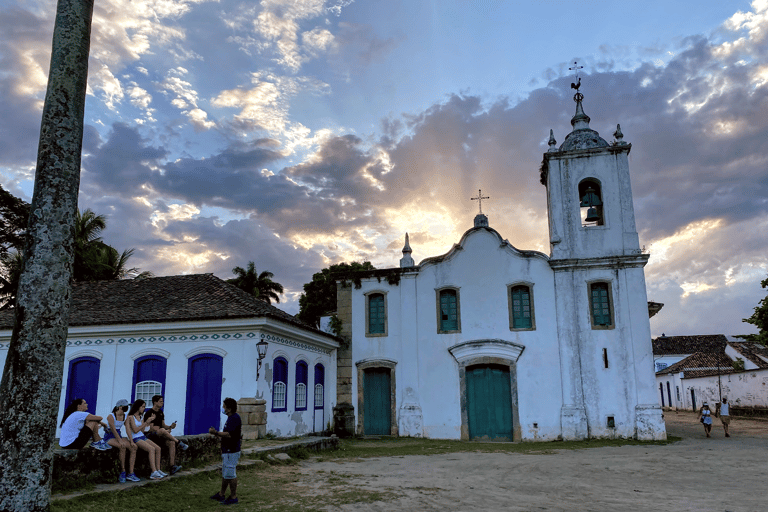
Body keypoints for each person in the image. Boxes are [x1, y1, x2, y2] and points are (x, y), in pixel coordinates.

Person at [143, 394, 189, 475]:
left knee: (171, 442)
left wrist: (170, 426)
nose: (162, 403)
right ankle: (179, 442)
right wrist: (164, 430)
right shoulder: (149, 413)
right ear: (155, 402)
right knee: (162, 430)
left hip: (161, 434)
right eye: (160, 401)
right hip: (150, 435)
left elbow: (163, 425)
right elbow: (151, 428)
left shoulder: (160, 412)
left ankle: (172, 466)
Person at [209, 397, 242, 505]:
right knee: (225, 474)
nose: (223, 408)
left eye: (224, 406)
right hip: (227, 450)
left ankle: (233, 497)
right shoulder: (231, 418)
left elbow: (229, 434)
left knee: (230, 474)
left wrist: (216, 433)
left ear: (229, 408)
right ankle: (221, 494)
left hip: (231, 451)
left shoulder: (234, 418)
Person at [126, 399, 166, 480]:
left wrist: (148, 422)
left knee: (158, 448)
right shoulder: (131, 417)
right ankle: (153, 472)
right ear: (138, 407)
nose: (144, 408)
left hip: (142, 436)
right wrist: (146, 422)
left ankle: (158, 470)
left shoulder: (141, 417)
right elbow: (135, 430)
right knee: (151, 449)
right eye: (143, 406)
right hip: (135, 438)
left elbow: (143, 430)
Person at [104, 399, 139, 482]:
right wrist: (120, 441)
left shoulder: (125, 416)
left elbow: (127, 429)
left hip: (118, 435)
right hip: (110, 436)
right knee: (122, 446)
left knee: (134, 447)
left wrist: (131, 441)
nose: (127, 408)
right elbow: (113, 430)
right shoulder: (111, 416)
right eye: (126, 407)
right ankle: (122, 471)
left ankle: (131, 472)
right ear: (120, 407)